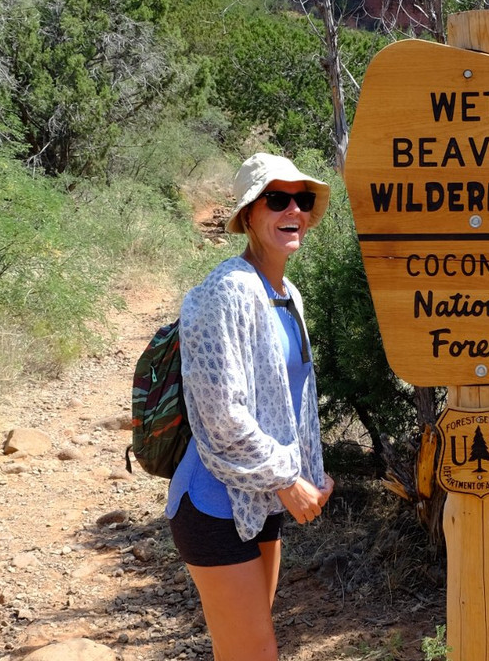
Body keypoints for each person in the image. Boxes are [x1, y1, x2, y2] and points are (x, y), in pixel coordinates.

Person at [166, 152, 334, 661]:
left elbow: (294, 399)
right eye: (277, 199)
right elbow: (221, 414)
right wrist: (288, 478)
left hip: (260, 502)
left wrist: (310, 471)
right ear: (249, 215)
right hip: (215, 504)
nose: (294, 211)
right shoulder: (227, 290)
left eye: (302, 200)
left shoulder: (287, 293)